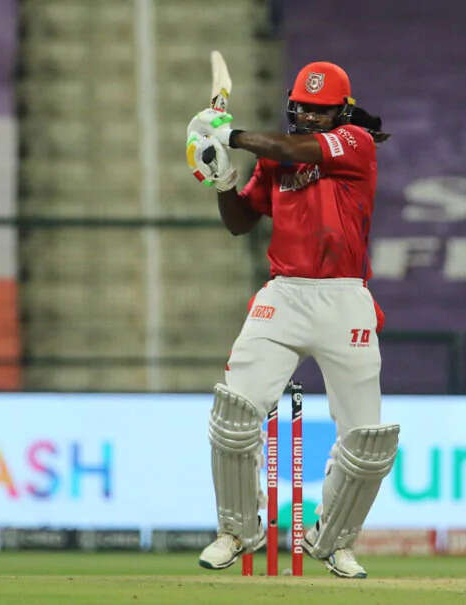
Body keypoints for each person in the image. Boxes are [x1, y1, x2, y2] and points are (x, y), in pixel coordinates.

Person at [186, 61, 399, 579]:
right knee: (235, 415)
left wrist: (229, 135)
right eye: (302, 108)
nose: (308, 117)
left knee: (367, 441)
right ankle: (237, 532)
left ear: (342, 112)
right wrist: (222, 179)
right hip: (283, 295)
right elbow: (240, 223)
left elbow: (292, 150)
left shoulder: (354, 143)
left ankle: (334, 542)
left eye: (320, 111)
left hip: (344, 298)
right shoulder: (275, 158)